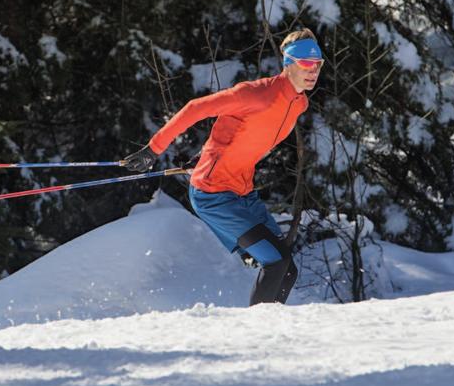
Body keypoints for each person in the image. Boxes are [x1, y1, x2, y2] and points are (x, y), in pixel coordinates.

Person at [123, 29, 324, 305]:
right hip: (214, 195)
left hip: (243, 192)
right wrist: (154, 149)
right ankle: (255, 331)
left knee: (287, 269)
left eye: (317, 64)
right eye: (305, 63)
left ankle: (272, 331)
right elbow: (195, 108)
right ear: (288, 63)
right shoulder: (255, 94)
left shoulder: (299, 103)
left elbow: (242, 134)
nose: (312, 70)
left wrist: (209, 153)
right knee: (276, 261)